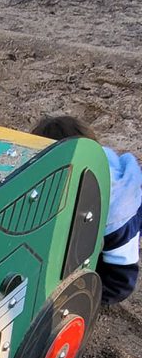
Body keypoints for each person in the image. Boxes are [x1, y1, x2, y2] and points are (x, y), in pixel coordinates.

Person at [33, 115, 140, 305]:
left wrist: (90, 300)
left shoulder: (118, 217)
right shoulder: (87, 160)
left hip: (128, 204)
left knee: (112, 256)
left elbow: (121, 280)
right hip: (106, 175)